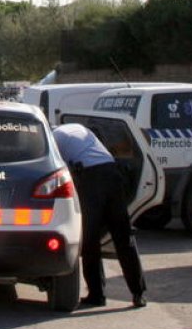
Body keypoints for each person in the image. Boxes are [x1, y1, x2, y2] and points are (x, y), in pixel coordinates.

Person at [51, 122, 147, 309]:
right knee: (124, 236)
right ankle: (139, 293)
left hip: (91, 179)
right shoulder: (78, 128)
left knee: (89, 240)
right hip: (112, 173)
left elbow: (56, 167)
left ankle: (97, 295)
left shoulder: (54, 137)